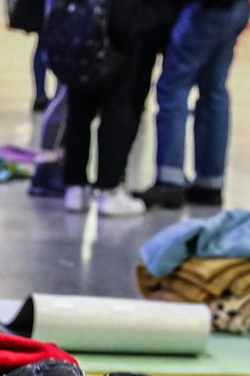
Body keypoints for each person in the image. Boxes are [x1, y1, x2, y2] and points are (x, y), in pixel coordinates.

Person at [138, 0, 250, 209]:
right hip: (236, 8)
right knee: (214, 90)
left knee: (172, 88)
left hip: (204, 11)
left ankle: (170, 178)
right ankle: (210, 182)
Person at [51, 0, 160, 217]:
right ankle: (109, 189)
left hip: (80, 25)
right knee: (117, 109)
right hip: (120, 27)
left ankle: (75, 186)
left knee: (79, 106)